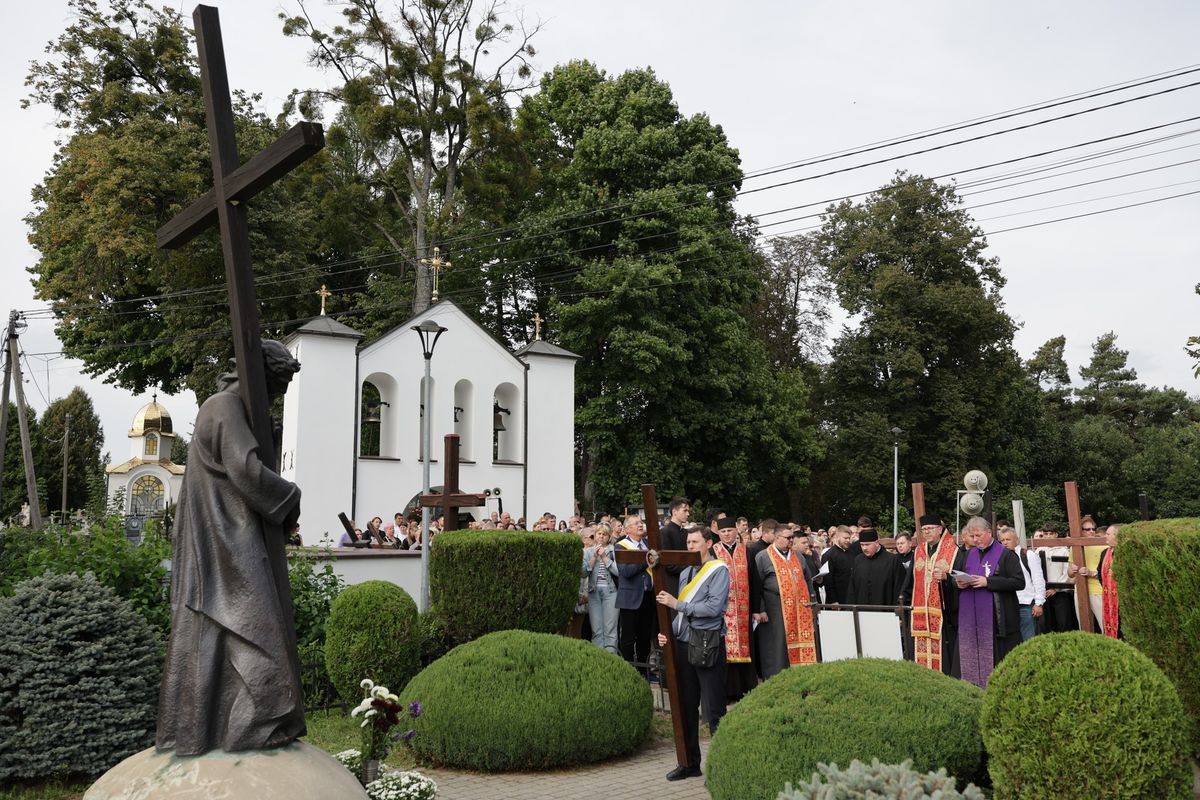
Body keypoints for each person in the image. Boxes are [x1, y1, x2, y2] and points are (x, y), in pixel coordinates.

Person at [157, 340, 305, 755]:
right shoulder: (223, 406)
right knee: (256, 627)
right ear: (261, 376)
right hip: (225, 540)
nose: (279, 395)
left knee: (219, 630)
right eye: (279, 384)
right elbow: (244, 469)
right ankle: (252, 725)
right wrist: (290, 496)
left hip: (230, 535)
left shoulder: (231, 409)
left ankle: (208, 731)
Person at [654, 527, 730, 781]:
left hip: (708, 644)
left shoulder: (719, 570)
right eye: (687, 542)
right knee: (686, 706)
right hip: (685, 643)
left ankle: (724, 767)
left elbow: (713, 607)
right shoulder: (686, 571)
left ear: (708, 543)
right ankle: (689, 763)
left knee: (715, 709)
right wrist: (669, 632)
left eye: (695, 541)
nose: (690, 546)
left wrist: (678, 604)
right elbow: (682, 615)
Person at [952, 517, 1025, 688]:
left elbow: (1019, 582)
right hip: (972, 623)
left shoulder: (1006, 554)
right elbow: (956, 577)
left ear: (989, 532)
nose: (975, 540)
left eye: (978, 535)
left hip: (997, 622)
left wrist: (988, 582)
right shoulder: (969, 554)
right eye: (972, 536)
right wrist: (958, 583)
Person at [753, 526, 817, 679]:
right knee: (776, 645)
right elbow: (757, 585)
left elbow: (807, 579)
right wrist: (760, 609)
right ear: (777, 537)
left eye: (791, 538)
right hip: (774, 607)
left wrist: (812, 601)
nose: (791, 541)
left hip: (799, 609)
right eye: (788, 538)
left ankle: (801, 677)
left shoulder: (798, 556)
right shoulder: (763, 556)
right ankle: (776, 679)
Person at [900, 515, 960, 674]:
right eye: (924, 529)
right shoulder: (919, 550)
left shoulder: (954, 551)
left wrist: (946, 577)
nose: (926, 532)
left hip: (943, 612)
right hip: (920, 610)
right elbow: (910, 579)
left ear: (940, 529)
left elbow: (959, 577)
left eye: (930, 528)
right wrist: (903, 598)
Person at [711, 516, 756, 701]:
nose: (727, 534)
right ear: (718, 533)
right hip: (723, 611)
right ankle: (729, 691)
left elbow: (755, 581)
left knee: (746, 647)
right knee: (725, 649)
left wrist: (757, 608)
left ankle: (747, 688)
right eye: (723, 531)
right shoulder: (713, 552)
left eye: (729, 530)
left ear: (736, 531)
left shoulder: (747, 552)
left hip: (744, 609)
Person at [615, 514, 657, 668]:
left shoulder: (648, 544)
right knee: (627, 638)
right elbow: (625, 571)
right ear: (627, 529)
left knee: (644, 638)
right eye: (635, 523)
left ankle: (643, 671)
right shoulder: (621, 546)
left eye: (641, 522)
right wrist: (646, 562)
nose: (640, 525)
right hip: (630, 599)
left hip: (648, 597)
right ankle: (627, 670)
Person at [998, 527, 1046, 641]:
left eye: (1008, 539)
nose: (1005, 543)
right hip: (1008, 604)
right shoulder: (1000, 557)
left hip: (1026, 604)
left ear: (1017, 540)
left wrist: (1039, 603)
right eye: (1002, 540)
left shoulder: (1028, 555)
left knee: (1028, 639)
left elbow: (1038, 580)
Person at [583, 523, 619, 653]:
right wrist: (594, 557)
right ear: (595, 535)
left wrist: (604, 557)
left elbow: (618, 572)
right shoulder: (587, 552)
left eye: (604, 534)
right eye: (599, 533)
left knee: (610, 630)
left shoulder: (614, 550)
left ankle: (611, 660)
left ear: (609, 537)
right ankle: (598, 660)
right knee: (597, 630)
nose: (601, 536)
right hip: (593, 593)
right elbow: (583, 573)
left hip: (611, 592)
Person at [846, 528, 903, 606]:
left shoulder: (893, 560)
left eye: (867, 544)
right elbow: (852, 588)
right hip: (861, 612)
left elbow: (899, 589)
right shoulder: (858, 560)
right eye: (862, 545)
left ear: (877, 543)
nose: (864, 548)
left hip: (885, 611)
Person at [1038, 522, 1078, 633]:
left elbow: (1067, 572)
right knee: (1048, 624)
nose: (1048, 536)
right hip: (1044, 592)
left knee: (1063, 622)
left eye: (1051, 533)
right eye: (1046, 534)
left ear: (1056, 535)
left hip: (1060, 592)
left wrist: (1056, 588)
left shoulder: (1064, 550)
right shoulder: (1039, 550)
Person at [818, 525, 856, 604]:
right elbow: (828, 580)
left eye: (849, 538)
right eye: (845, 538)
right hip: (837, 600)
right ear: (837, 537)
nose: (848, 540)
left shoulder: (852, 553)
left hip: (851, 597)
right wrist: (833, 600)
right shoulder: (828, 555)